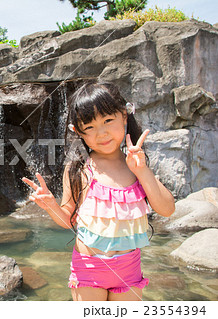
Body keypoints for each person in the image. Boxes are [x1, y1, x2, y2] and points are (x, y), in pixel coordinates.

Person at [22, 81, 175, 301]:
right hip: (89, 267)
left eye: (108, 120)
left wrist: (142, 171)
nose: (101, 133)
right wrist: (50, 205)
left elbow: (168, 209)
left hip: (129, 267)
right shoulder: (78, 168)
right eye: (90, 127)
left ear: (125, 115)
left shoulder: (136, 166)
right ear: (78, 131)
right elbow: (68, 220)